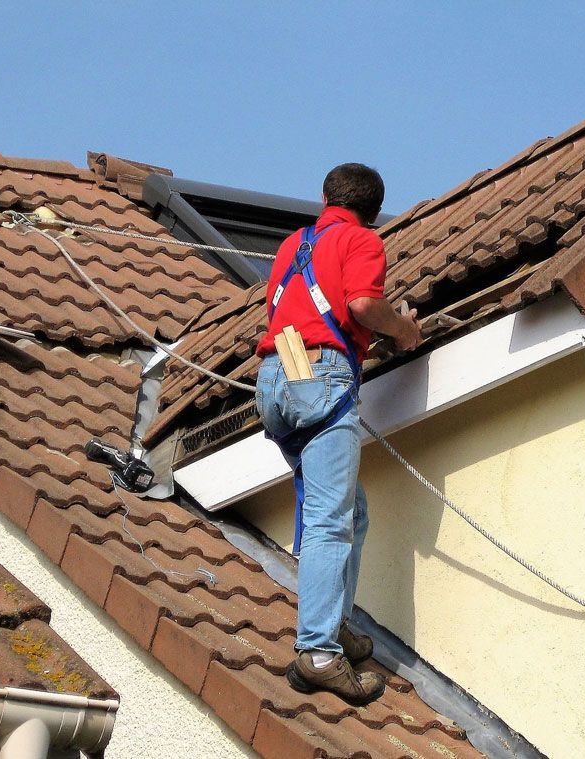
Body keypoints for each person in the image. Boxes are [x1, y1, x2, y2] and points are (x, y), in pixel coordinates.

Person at [253, 163, 422, 704]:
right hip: (322, 377)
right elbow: (363, 305)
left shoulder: (292, 244)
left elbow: (298, 311)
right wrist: (404, 330)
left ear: (324, 196)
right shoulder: (363, 240)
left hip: (275, 380)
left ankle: (337, 620)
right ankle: (319, 651)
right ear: (373, 211)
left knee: (351, 511)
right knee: (331, 520)